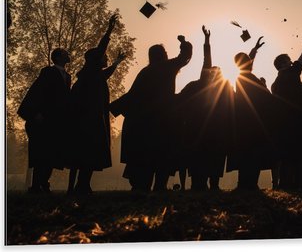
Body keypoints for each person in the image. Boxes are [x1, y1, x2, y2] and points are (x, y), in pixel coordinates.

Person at [110, 34, 193, 192]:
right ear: (164, 55)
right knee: (163, 155)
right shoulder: (168, 67)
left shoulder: (145, 72)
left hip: (145, 121)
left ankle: (142, 186)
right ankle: (159, 187)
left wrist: (116, 107)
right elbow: (185, 56)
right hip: (164, 119)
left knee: (145, 157)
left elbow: (133, 94)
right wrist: (183, 42)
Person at [68, 14, 125, 194]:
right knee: (84, 154)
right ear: (96, 59)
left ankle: (82, 185)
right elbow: (101, 49)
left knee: (88, 155)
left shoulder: (94, 75)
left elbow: (108, 72)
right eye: (104, 57)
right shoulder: (91, 72)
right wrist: (109, 29)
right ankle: (78, 186)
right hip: (89, 120)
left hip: (92, 118)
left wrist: (117, 62)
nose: (106, 59)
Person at [176, 26, 234, 191]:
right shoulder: (206, 85)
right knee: (207, 159)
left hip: (206, 130)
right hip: (207, 130)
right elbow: (206, 59)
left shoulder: (219, 88)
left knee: (207, 159)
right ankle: (205, 184)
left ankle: (206, 184)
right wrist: (207, 40)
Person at [17, 48, 72, 193]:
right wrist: (35, 113)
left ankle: (43, 183)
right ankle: (36, 186)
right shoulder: (48, 72)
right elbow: (38, 92)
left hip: (57, 122)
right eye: (66, 54)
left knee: (53, 154)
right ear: (59, 58)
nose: (69, 55)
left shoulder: (67, 76)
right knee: (41, 153)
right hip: (44, 120)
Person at [227, 43, 278, 190]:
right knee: (252, 154)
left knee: (247, 154)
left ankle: (244, 183)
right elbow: (264, 97)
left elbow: (247, 64)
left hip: (245, 122)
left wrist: (254, 50)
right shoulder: (248, 78)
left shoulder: (242, 76)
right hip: (253, 122)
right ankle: (249, 184)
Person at [271, 36, 302, 190]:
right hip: (296, 121)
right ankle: (298, 184)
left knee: (286, 155)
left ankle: (286, 183)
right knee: (298, 154)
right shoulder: (291, 73)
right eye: (288, 60)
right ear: (283, 63)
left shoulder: (275, 84)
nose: (292, 62)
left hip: (282, 123)